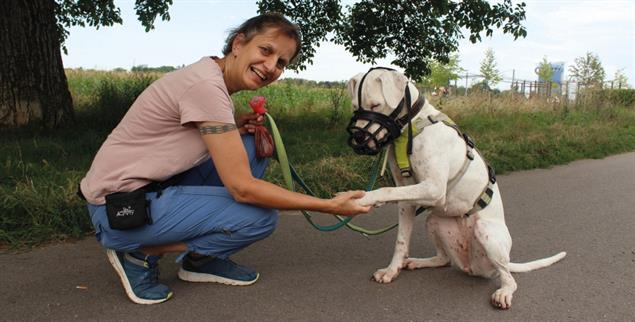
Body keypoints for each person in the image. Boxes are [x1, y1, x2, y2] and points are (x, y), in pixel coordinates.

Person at [79, 13, 370, 305]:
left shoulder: (209, 76)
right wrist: (328, 206)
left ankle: (200, 260)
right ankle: (139, 252)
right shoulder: (206, 86)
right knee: (258, 217)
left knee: (250, 146)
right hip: (117, 211)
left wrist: (232, 125)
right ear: (238, 43)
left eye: (281, 62)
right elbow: (242, 188)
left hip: (146, 190)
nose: (271, 67)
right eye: (266, 50)